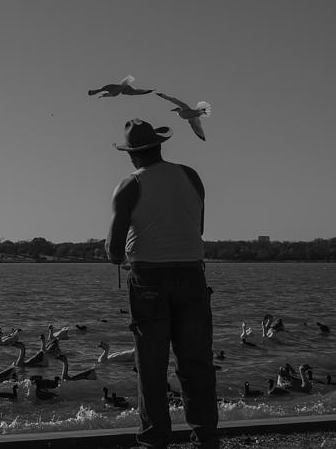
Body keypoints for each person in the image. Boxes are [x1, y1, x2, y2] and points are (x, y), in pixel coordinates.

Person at [106, 118, 218, 449]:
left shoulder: (129, 186)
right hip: (192, 276)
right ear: (159, 146)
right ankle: (206, 438)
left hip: (149, 280)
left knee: (152, 367)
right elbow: (198, 229)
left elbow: (114, 251)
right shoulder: (191, 176)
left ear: (131, 154)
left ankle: (155, 440)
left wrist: (116, 250)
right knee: (196, 362)